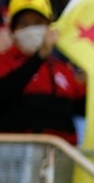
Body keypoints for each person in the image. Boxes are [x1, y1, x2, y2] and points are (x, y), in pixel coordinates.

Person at [0, 0, 86, 144]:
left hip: (61, 159)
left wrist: (90, 84)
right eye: (24, 24)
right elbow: (4, 96)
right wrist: (38, 58)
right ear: (13, 30)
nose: (32, 29)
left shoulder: (62, 69)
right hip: (14, 159)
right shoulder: (4, 64)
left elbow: (80, 110)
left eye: (38, 23)